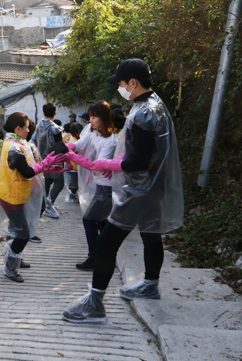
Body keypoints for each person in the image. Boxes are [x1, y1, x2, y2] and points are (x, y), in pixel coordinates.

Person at [62, 58, 184, 323]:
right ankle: (150, 285)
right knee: (152, 234)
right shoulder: (156, 105)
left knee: (106, 242)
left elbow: (140, 161)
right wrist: (117, 164)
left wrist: (111, 164)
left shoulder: (141, 113)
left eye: (120, 83)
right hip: (155, 186)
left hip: (140, 188)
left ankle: (94, 304)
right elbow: (148, 153)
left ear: (132, 82)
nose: (119, 88)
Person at [0, 112, 68, 282]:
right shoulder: (13, 147)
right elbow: (28, 171)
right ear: (18, 128)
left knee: (16, 230)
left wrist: (47, 166)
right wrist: (46, 164)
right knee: (22, 233)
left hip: (17, 193)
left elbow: (33, 166)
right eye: (27, 128)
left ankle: (14, 258)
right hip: (11, 195)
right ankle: (10, 268)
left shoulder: (20, 143)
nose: (29, 130)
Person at [64, 101, 119, 271]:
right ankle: (104, 257)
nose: (91, 120)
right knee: (101, 223)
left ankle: (94, 259)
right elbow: (79, 145)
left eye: (94, 117)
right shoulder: (92, 131)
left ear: (103, 118)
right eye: (91, 117)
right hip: (98, 184)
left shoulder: (110, 140)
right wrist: (66, 147)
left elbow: (97, 165)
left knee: (89, 220)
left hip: (106, 187)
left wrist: (71, 156)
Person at [32, 103, 65, 219]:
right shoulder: (56, 129)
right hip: (54, 161)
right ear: (55, 112)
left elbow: (33, 141)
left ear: (43, 113)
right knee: (59, 183)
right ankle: (49, 204)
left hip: (42, 161)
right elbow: (59, 146)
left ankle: (45, 205)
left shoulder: (38, 126)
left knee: (46, 183)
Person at [63, 122, 86, 204]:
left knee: (75, 183)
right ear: (77, 132)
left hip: (76, 166)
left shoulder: (72, 138)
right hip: (74, 166)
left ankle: (73, 196)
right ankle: (72, 197)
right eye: (80, 131)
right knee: (74, 185)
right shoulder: (74, 141)